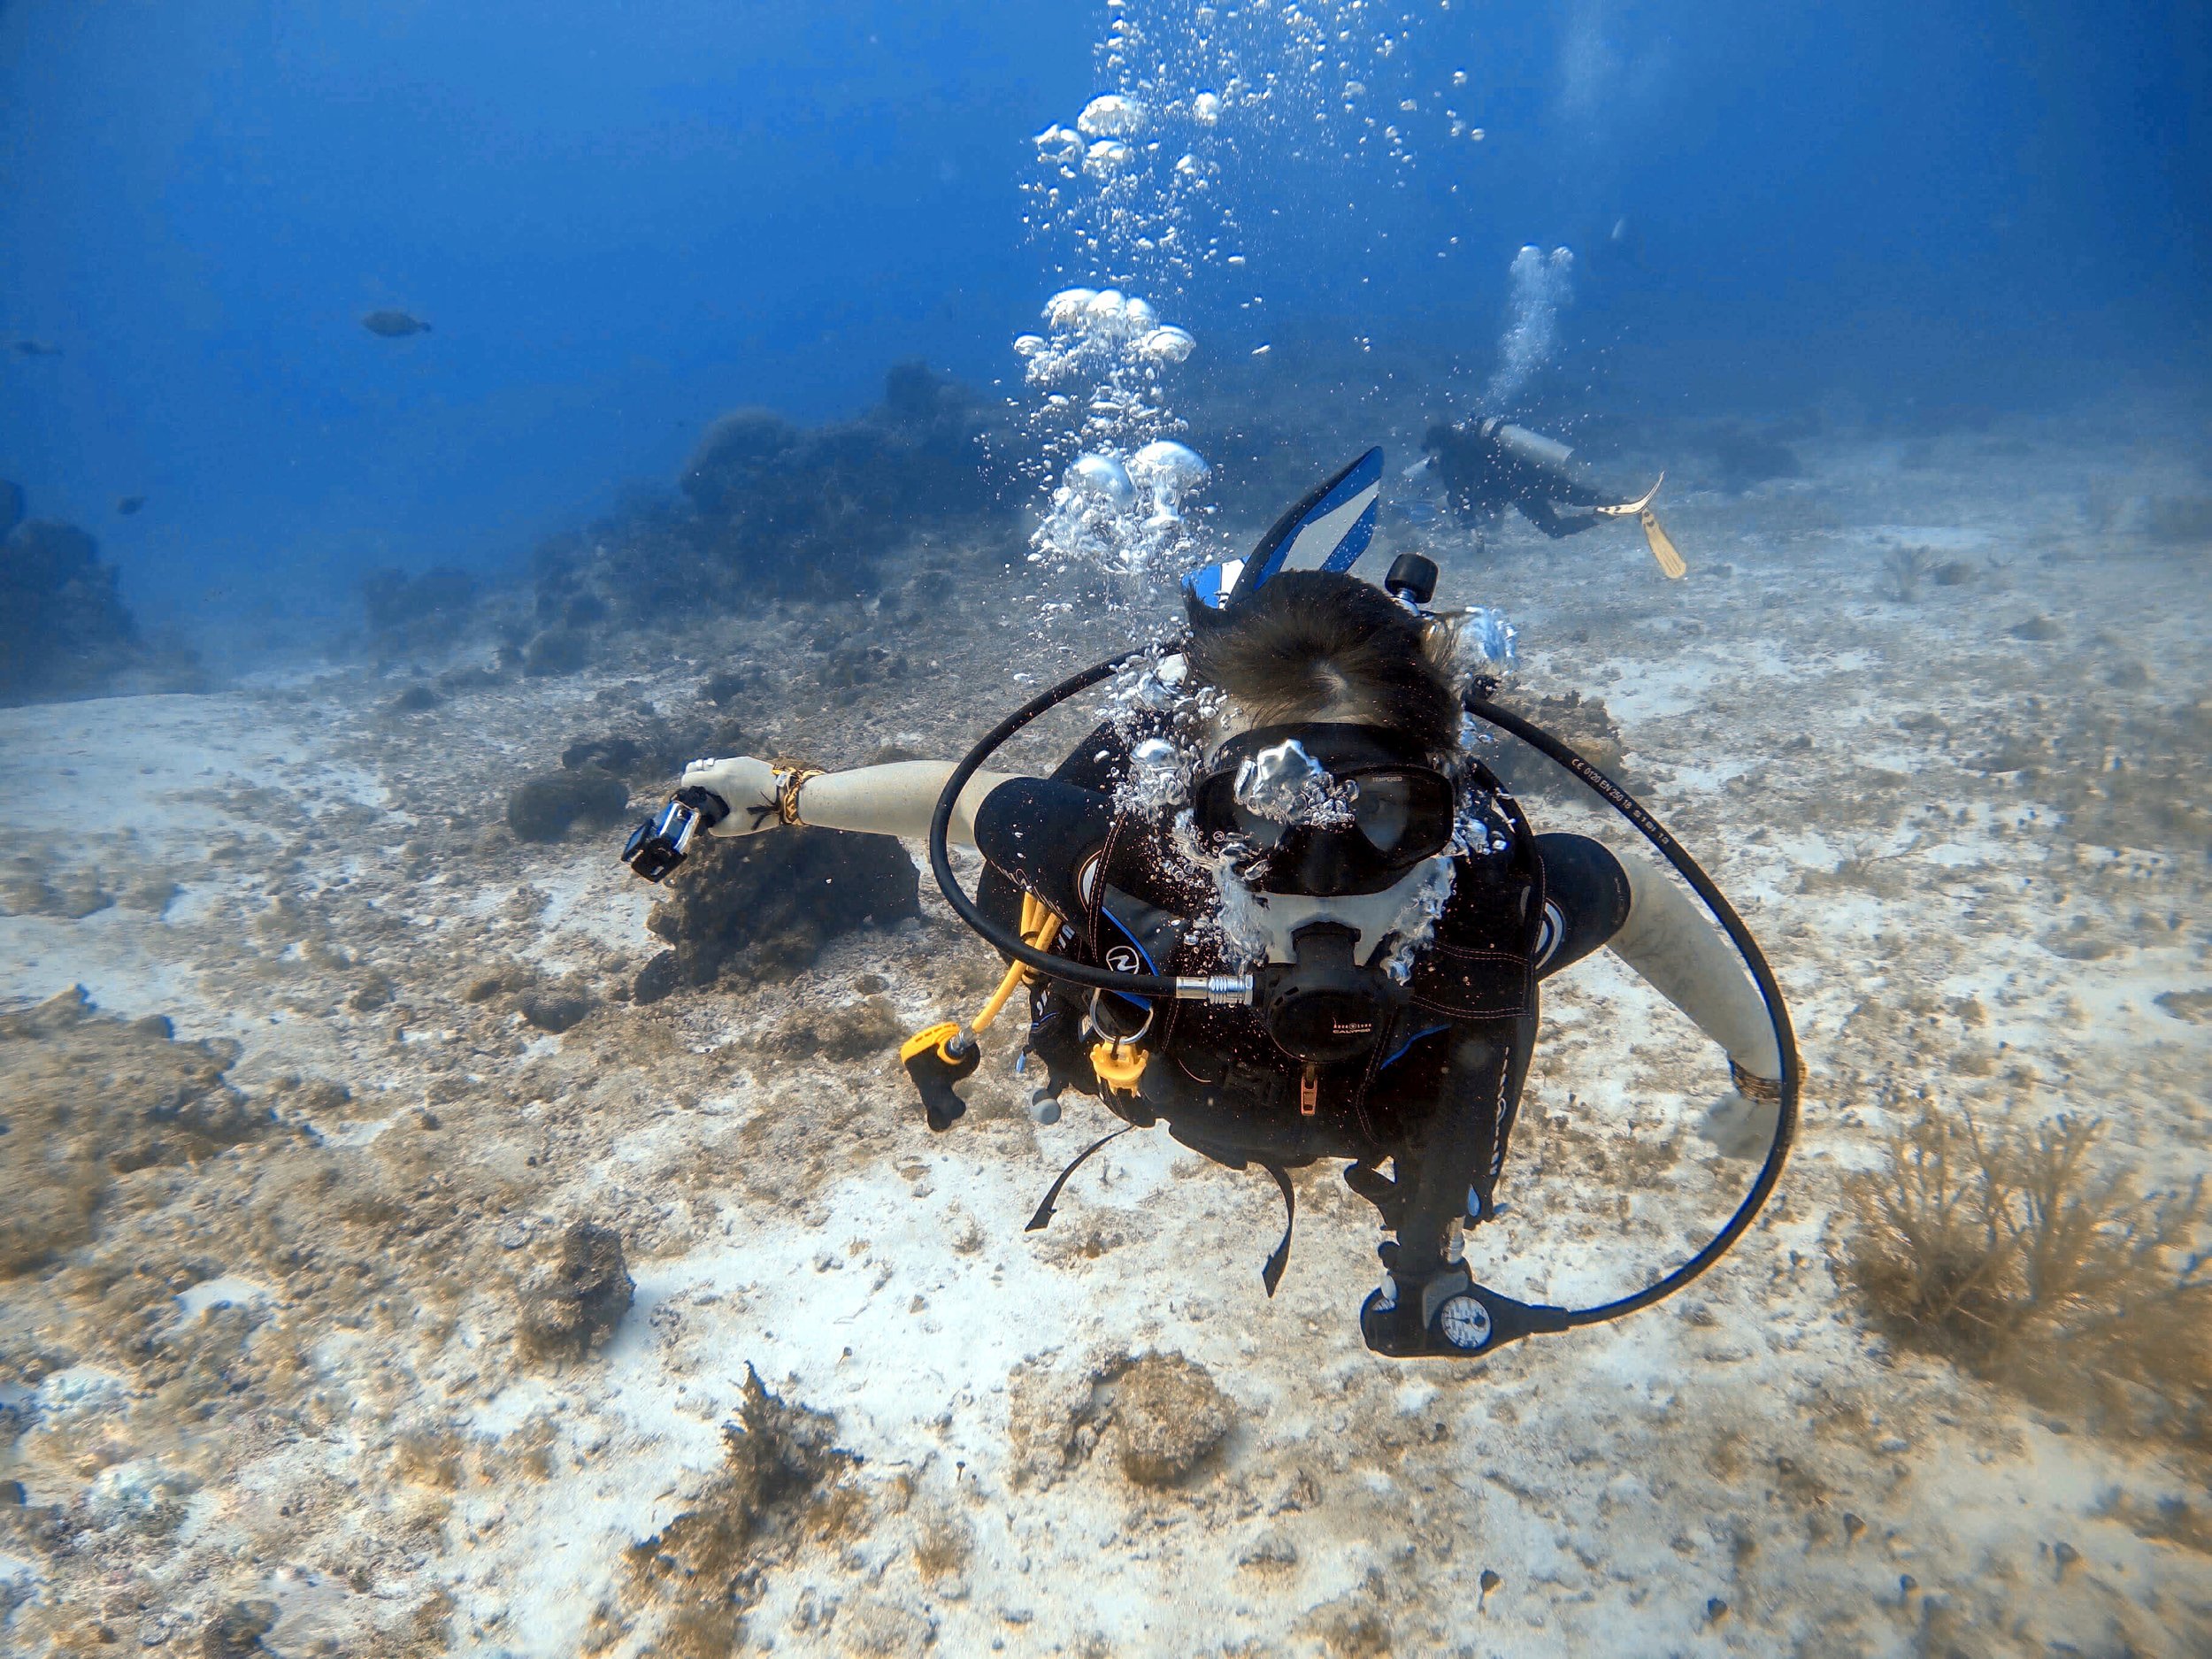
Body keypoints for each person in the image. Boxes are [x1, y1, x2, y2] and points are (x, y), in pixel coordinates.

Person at [670, 540, 1780, 1355]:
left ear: (1446, 798)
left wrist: (1762, 1068)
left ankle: (1433, 1251)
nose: (1321, 893)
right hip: (1159, 1076)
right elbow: (959, 804)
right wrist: (781, 795)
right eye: (1258, 822)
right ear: (1187, 805)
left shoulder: (1483, 896)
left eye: (1390, 820)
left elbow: (1630, 897)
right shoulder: (1129, 858)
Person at [1419, 416, 1685, 577]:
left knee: (1555, 528)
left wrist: (1471, 530)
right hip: (1531, 472)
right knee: (1580, 495)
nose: (1432, 459)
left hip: (1518, 489)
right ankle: (1625, 502)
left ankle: (1605, 516)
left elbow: (1460, 498)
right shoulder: (1473, 442)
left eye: (1433, 453)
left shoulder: (1452, 462)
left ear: (1439, 447)